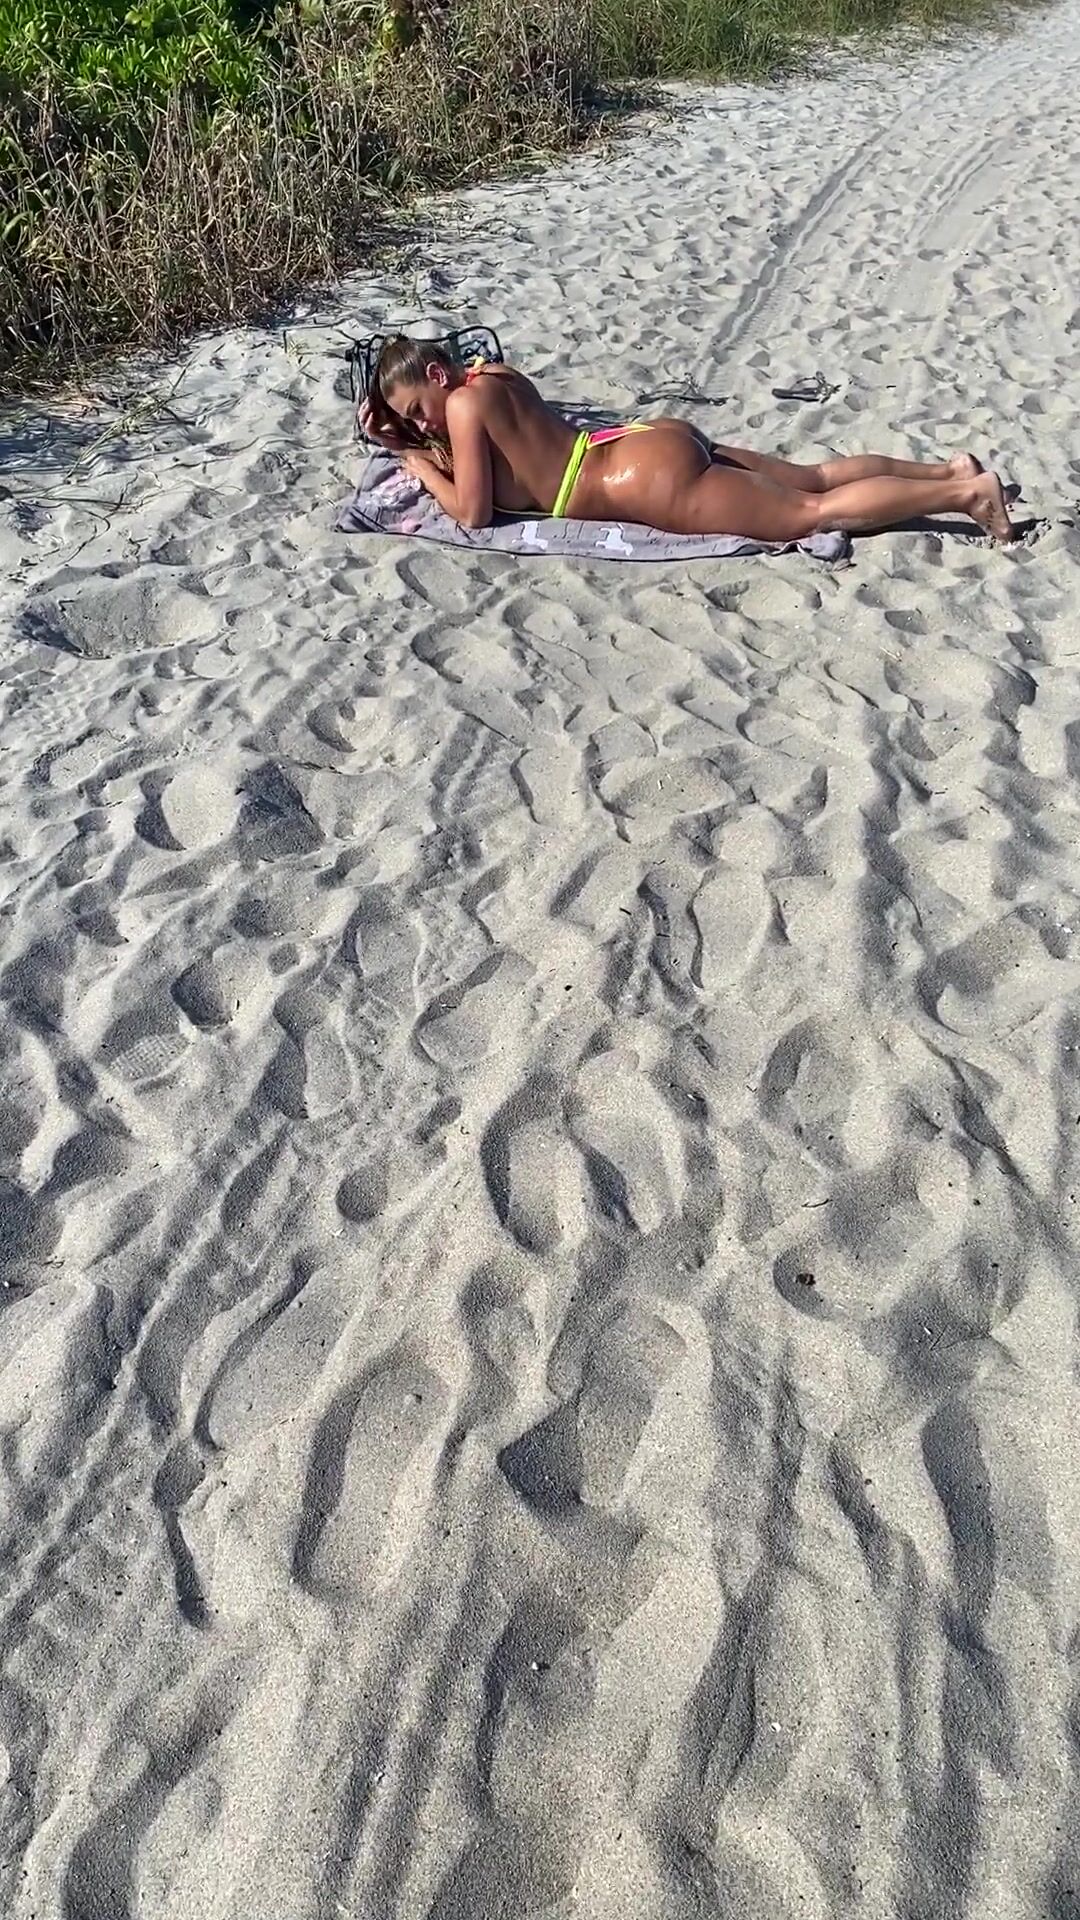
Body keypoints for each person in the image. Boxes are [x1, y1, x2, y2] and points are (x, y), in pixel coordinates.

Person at [359, 335, 1018, 544]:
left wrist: (417, 464)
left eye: (418, 411)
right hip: (635, 442)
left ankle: (967, 495)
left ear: (438, 376)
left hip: (637, 482)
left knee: (810, 513)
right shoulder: (491, 375)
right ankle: (946, 470)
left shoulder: (462, 406)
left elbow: (473, 512)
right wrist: (404, 431)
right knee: (814, 476)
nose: (423, 425)